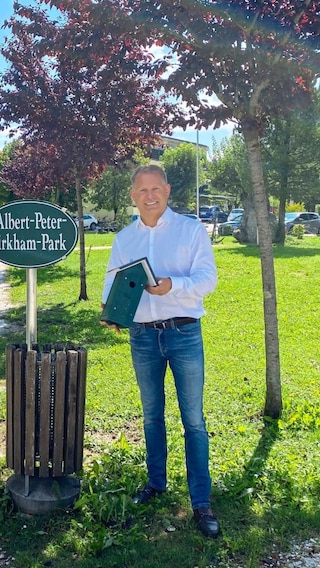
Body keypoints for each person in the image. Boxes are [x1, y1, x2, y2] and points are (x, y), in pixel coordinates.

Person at [100, 164, 220, 538]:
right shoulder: (124, 238)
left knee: (193, 419)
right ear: (133, 196)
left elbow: (208, 279)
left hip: (183, 333)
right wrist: (111, 311)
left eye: (156, 189)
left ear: (167, 191)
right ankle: (156, 483)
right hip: (142, 336)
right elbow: (111, 281)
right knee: (151, 415)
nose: (149, 196)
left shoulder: (190, 229)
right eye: (141, 190)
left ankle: (201, 501)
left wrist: (174, 285)